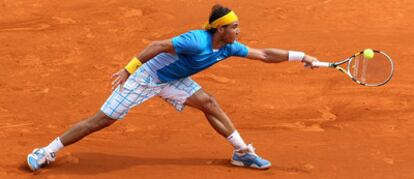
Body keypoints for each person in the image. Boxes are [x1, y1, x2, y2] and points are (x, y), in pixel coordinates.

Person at [27, 4, 318, 171]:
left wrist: (302, 56)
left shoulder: (228, 47)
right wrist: (129, 70)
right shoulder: (196, 41)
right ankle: (47, 151)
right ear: (220, 29)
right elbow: (156, 45)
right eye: (234, 27)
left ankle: (241, 152)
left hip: (173, 80)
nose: (238, 31)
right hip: (147, 78)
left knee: (209, 103)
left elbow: (265, 54)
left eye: (238, 27)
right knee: (101, 120)